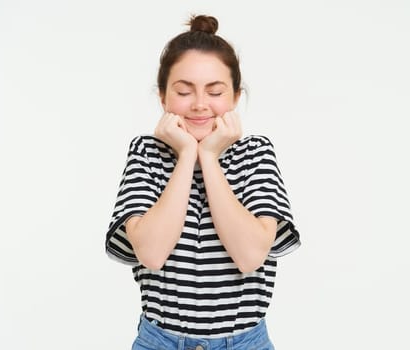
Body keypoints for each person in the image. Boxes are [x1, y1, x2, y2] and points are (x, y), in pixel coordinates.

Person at [105, 14, 301, 350]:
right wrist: (185, 156)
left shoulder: (256, 153)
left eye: (215, 91)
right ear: (163, 98)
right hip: (160, 341)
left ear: (236, 97)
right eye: (183, 91)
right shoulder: (146, 153)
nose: (199, 104)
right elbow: (151, 253)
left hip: (245, 342)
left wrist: (209, 157)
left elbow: (251, 255)